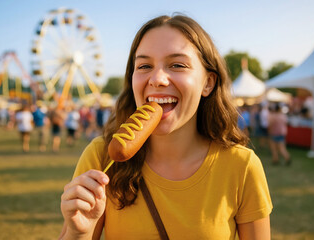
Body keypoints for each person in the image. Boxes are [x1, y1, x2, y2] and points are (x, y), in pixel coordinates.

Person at [59, 15, 272, 240]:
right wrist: (77, 232)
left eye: (177, 65)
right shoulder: (101, 157)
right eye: (144, 66)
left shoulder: (241, 166)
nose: (157, 79)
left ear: (208, 83)